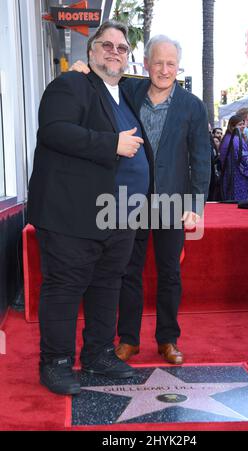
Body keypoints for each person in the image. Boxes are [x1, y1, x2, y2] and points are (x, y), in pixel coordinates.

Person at [27, 20, 153, 395]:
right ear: (91, 52)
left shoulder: (125, 94)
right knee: (65, 287)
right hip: (72, 212)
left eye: (122, 47)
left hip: (120, 215)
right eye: (107, 45)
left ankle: (98, 354)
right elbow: (53, 130)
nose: (115, 51)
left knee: (107, 285)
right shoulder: (70, 84)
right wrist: (110, 144)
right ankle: (56, 362)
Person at [71, 34, 211, 365]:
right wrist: (84, 73)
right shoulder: (129, 91)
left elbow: (201, 160)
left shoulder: (193, 106)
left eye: (171, 64)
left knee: (169, 273)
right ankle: (129, 340)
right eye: (158, 62)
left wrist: (196, 206)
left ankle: (168, 339)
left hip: (172, 202)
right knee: (126, 271)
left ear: (178, 67)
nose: (164, 69)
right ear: (146, 64)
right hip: (129, 199)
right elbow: (103, 79)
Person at [219, 115, 248, 201]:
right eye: (240, 124)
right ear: (232, 126)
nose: (243, 126)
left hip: (228, 176)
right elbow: (244, 160)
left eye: (243, 124)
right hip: (238, 178)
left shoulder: (226, 138)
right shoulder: (236, 140)